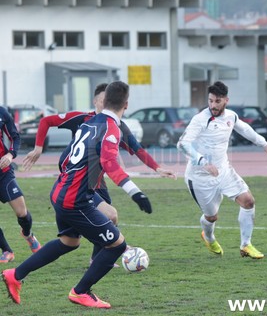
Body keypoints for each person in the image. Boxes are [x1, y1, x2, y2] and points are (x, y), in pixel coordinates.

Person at [2, 80, 153, 309]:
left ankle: (16, 274)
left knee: (68, 242)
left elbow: (67, 156)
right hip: (75, 199)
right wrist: (136, 193)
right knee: (118, 245)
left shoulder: (89, 122)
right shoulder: (110, 128)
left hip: (61, 191)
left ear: (106, 101)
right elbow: (110, 163)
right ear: (126, 104)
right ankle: (81, 292)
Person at [22, 83, 176, 263]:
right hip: (75, 181)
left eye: (108, 100)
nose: (106, 104)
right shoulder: (82, 118)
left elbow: (137, 149)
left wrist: (157, 167)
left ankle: (97, 257)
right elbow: (46, 121)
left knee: (98, 224)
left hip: (96, 182)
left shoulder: (116, 126)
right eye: (103, 100)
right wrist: (38, 148)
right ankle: (106, 254)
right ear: (96, 101)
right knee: (106, 217)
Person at [177, 81, 267, 259]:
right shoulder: (200, 119)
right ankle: (208, 236)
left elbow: (245, 129)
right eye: (211, 101)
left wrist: (264, 143)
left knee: (248, 201)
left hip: (224, 171)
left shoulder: (231, 116)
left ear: (226, 100)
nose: (213, 105)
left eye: (217, 101)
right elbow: (182, 144)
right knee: (212, 217)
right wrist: (203, 162)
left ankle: (246, 245)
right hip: (200, 177)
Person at [0, 106, 41, 264]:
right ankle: (7, 250)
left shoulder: (2, 113)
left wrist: (10, 155)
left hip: (3, 172)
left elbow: (15, 138)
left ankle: (28, 234)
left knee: (22, 212)